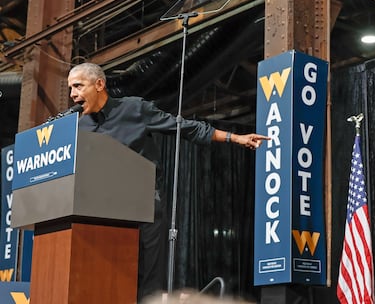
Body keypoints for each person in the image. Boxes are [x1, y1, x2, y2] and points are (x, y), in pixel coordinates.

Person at [67, 62, 269, 301]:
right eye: (70, 88)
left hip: (143, 207)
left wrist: (234, 137)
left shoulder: (134, 109)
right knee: (106, 277)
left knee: (149, 281)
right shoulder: (77, 127)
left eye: (78, 86)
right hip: (98, 212)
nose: (72, 95)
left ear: (100, 84)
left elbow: (184, 128)